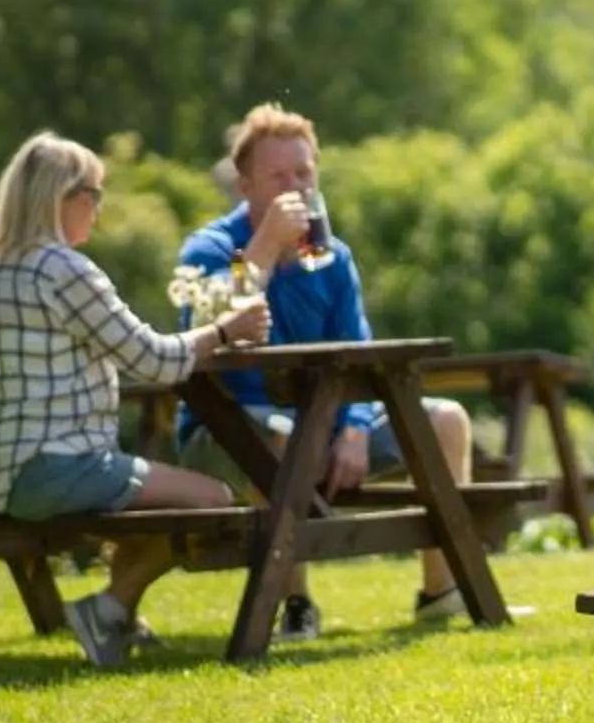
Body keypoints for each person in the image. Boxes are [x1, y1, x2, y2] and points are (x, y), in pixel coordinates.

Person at [0, 132, 269, 668]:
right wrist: (224, 331)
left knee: (154, 492)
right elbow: (151, 360)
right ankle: (110, 607)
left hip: (0, 477)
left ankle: (117, 616)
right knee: (213, 499)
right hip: (60, 467)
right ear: (62, 196)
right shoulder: (64, 270)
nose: (98, 209)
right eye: (95, 195)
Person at [174, 103, 477, 639]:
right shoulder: (211, 249)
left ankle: (441, 591)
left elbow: (356, 346)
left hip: (325, 427)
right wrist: (263, 247)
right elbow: (218, 324)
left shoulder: (332, 257)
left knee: (446, 421)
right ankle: (296, 606)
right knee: (279, 438)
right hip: (228, 431)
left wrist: (357, 426)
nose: (296, 187)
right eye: (278, 176)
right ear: (245, 186)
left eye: (304, 173)